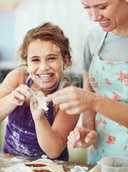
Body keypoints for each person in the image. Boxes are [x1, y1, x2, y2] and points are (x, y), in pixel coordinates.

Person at [50, 0, 128, 164]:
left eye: (102, 7)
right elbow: (91, 94)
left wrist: (93, 101)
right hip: (101, 157)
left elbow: (91, 99)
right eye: (87, 7)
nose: (94, 17)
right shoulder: (94, 38)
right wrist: (87, 130)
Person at [0, 22, 79, 161]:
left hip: (49, 168)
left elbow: (54, 151)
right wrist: (10, 100)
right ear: (27, 64)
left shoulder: (69, 97)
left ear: (65, 61)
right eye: (35, 60)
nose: (43, 67)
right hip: (11, 162)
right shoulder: (17, 78)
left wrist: (39, 118)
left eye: (52, 58)